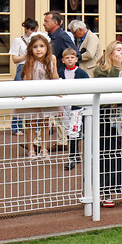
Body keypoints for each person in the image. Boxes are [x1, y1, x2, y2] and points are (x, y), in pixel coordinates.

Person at [95, 41, 122, 206]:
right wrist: (114, 67)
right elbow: (107, 90)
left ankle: (115, 189)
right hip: (104, 117)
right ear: (110, 52)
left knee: (120, 150)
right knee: (104, 152)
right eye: (118, 50)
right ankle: (102, 190)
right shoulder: (101, 69)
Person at [15, 33, 59, 159]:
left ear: (47, 48)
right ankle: (31, 149)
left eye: (41, 46)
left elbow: (54, 76)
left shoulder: (52, 59)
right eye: (35, 47)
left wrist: (59, 90)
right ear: (30, 49)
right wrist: (24, 94)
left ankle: (44, 148)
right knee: (30, 122)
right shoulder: (30, 61)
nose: (38, 49)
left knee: (46, 122)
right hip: (33, 93)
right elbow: (27, 78)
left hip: (46, 94)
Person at [42, 11, 76, 149]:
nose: (43, 23)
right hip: (51, 78)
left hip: (59, 79)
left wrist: (63, 71)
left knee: (55, 110)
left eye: (46, 21)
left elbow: (74, 53)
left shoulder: (62, 36)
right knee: (53, 111)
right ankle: (59, 141)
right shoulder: (50, 37)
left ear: (55, 23)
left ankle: (43, 142)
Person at [58, 48, 90, 172]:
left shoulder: (81, 73)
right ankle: (75, 153)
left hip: (77, 106)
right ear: (63, 60)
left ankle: (71, 157)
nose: (70, 59)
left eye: (72, 57)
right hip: (65, 105)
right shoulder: (60, 72)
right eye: (67, 57)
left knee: (73, 129)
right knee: (67, 129)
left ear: (76, 59)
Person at [8, 18, 40, 136]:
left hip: (36, 67)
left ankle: (37, 126)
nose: (33, 32)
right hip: (22, 68)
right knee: (19, 98)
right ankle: (16, 127)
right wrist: (27, 55)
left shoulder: (37, 40)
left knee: (36, 97)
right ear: (25, 29)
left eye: (35, 30)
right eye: (31, 30)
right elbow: (15, 59)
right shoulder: (18, 40)